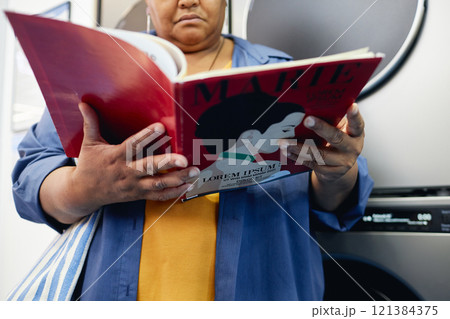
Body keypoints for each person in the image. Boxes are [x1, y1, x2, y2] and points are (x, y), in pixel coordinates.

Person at [11, 0, 373, 301]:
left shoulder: (288, 74)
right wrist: (84, 187)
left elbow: (336, 202)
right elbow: (31, 178)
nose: (187, 0)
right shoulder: (95, 68)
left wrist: (338, 172)